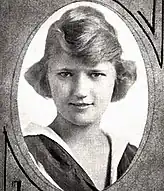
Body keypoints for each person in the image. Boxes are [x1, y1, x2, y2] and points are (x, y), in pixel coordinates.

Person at [23, 6, 137, 191]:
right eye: (66, 74)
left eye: (96, 74)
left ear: (117, 78)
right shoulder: (24, 153)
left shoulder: (131, 156)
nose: (80, 91)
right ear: (46, 76)